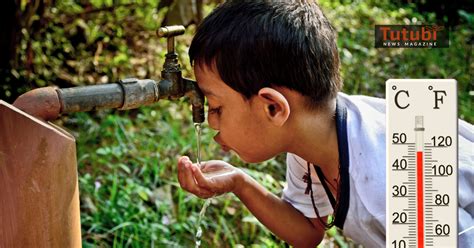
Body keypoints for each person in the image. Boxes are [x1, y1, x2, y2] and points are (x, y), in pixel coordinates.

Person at [176, 1, 474, 247]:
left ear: (273, 107)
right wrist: (239, 183)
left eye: (216, 108)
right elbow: (307, 230)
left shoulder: (397, 183)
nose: (211, 124)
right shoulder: (312, 135)